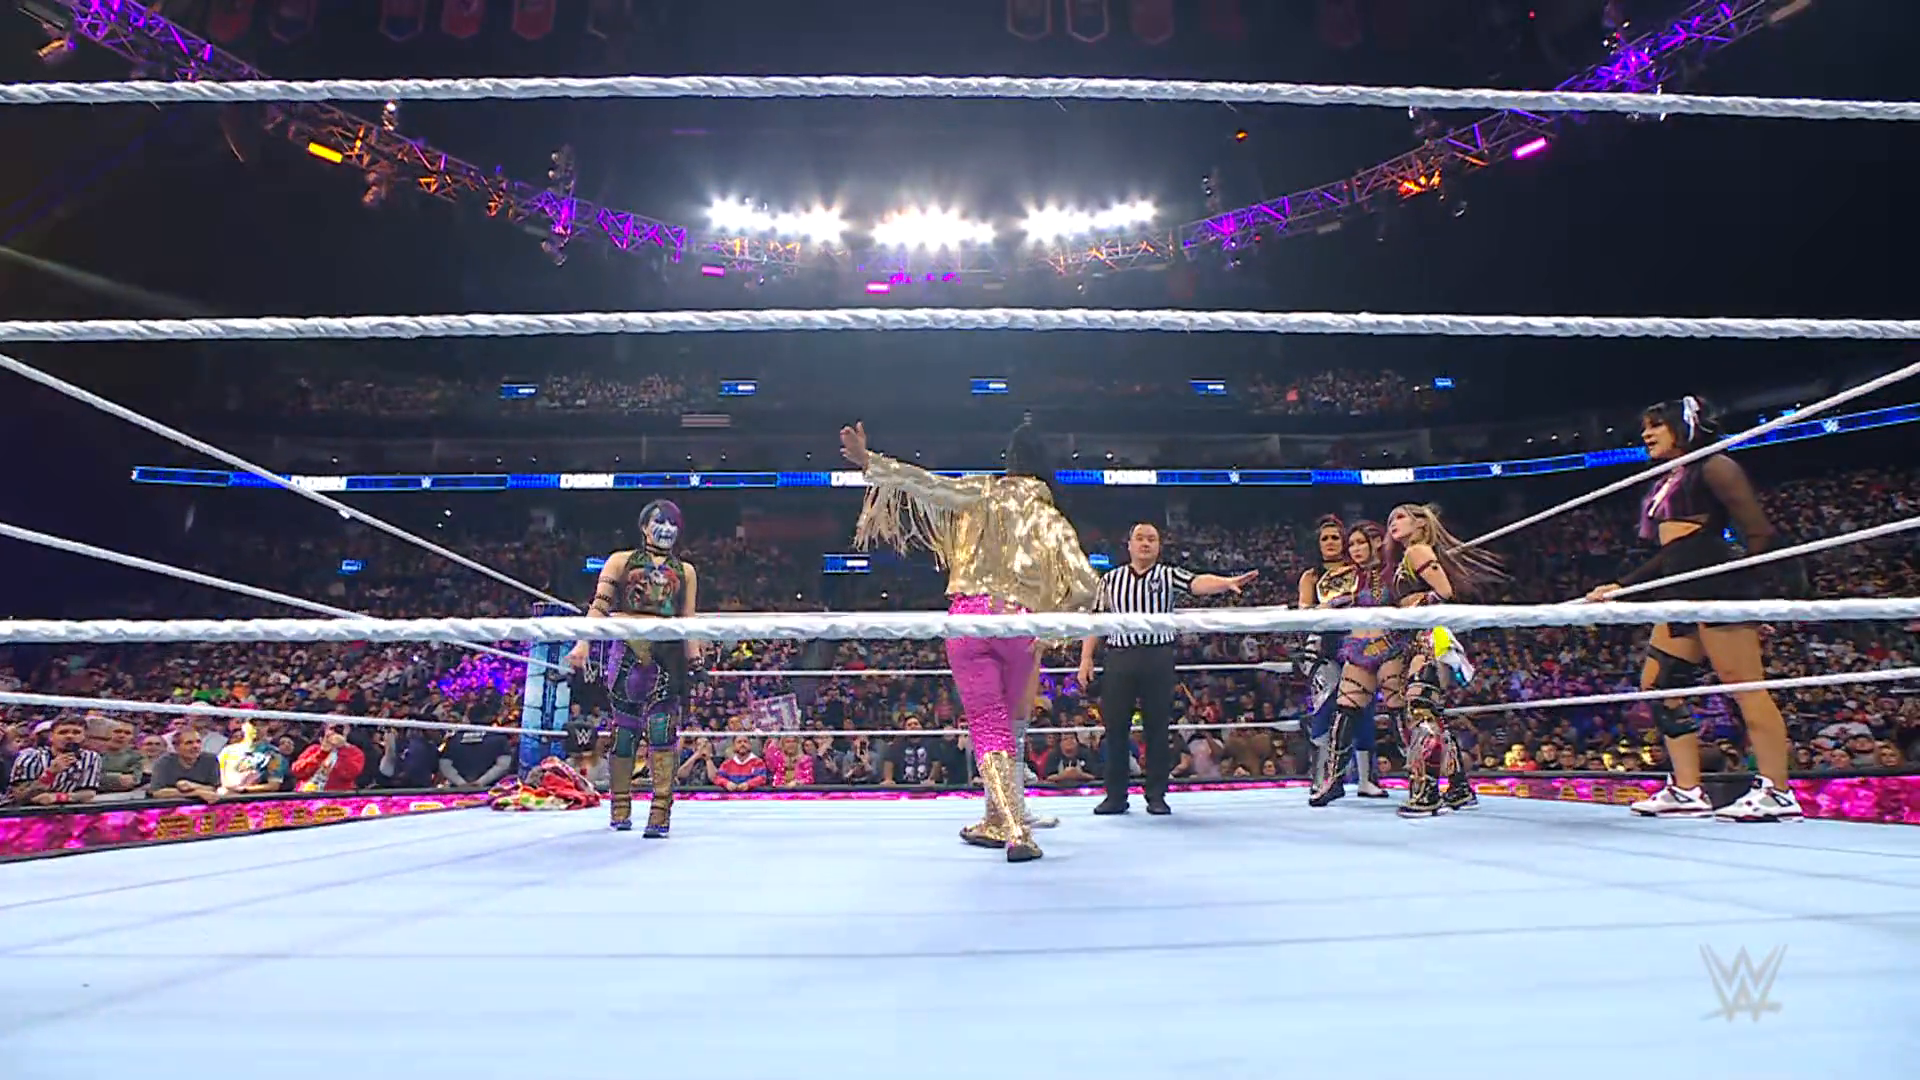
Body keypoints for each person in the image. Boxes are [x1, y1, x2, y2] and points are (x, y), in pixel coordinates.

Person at [845, 418, 1098, 862]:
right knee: (1010, 727)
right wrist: (1047, 626)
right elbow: (1086, 586)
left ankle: (1016, 830)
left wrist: (871, 462)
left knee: (989, 726)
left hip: (971, 620)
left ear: (1009, 462)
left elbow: (926, 485)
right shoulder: (1049, 517)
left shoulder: (983, 491)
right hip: (1020, 626)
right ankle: (996, 819)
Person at [1585, 397, 1806, 823]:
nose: (1646, 434)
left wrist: (1752, 592)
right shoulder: (1675, 476)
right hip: (1681, 590)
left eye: (1656, 425)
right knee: (1659, 686)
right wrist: (1623, 586)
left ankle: (1778, 792)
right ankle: (1687, 790)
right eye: (1645, 426)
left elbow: (1759, 532)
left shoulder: (1715, 466)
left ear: (1683, 426)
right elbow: (1674, 552)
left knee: (1745, 686)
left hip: (1717, 589)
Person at [1078, 522, 1258, 815]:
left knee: (1158, 729)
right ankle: (1115, 796)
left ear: (1159, 546)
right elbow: (1096, 620)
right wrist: (1086, 658)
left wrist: (1225, 583)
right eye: (1140, 538)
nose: (1145, 543)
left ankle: (1156, 795)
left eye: (1151, 539)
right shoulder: (1110, 579)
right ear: (1129, 545)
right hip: (1120, 657)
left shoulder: (1167, 574)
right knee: (1115, 729)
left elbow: (1197, 583)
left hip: (1157, 657)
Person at [567, 499, 703, 836]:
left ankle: (660, 813)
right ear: (644, 526)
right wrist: (583, 643)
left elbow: (688, 618)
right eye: (660, 521)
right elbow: (600, 605)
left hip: (667, 655)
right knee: (624, 732)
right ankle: (620, 807)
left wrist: (695, 658)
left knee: (662, 731)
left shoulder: (685, 571)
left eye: (673, 524)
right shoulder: (620, 561)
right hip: (625, 651)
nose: (667, 529)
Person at [1378, 503, 1503, 817]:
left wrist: (1409, 608)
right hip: (1424, 636)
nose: (1393, 522)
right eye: (1390, 519)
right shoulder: (1410, 555)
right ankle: (1458, 787)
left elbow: (1445, 592)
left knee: (1420, 710)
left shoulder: (1417, 551)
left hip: (1429, 636)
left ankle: (1426, 793)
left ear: (1421, 523)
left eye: (1401, 516)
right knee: (1432, 713)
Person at [1298, 515, 1385, 800]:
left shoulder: (1358, 571)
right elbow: (1303, 613)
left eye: (1336, 537)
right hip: (1325, 645)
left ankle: (1366, 779)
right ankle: (1321, 778)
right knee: (1324, 709)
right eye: (1325, 538)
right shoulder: (1311, 576)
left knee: (1363, 708)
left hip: (1358, 640)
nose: (1331, 542)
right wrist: (1328, 607)